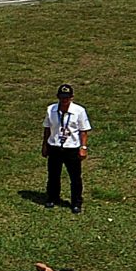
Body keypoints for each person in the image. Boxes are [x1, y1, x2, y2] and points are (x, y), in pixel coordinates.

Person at [43, 83, 91, 212]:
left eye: (67, 97)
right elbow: (47, 128)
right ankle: (52, 197)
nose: (64, 100)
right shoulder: (51, 109)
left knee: (75, 177)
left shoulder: (79, 111)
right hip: (54, 146)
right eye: (62, 97)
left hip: (72, 148)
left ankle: (76, 202)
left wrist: (83, 147)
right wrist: (45, 145)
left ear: (71, 98)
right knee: (53, 175)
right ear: (58, 97)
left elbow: (83, 130)